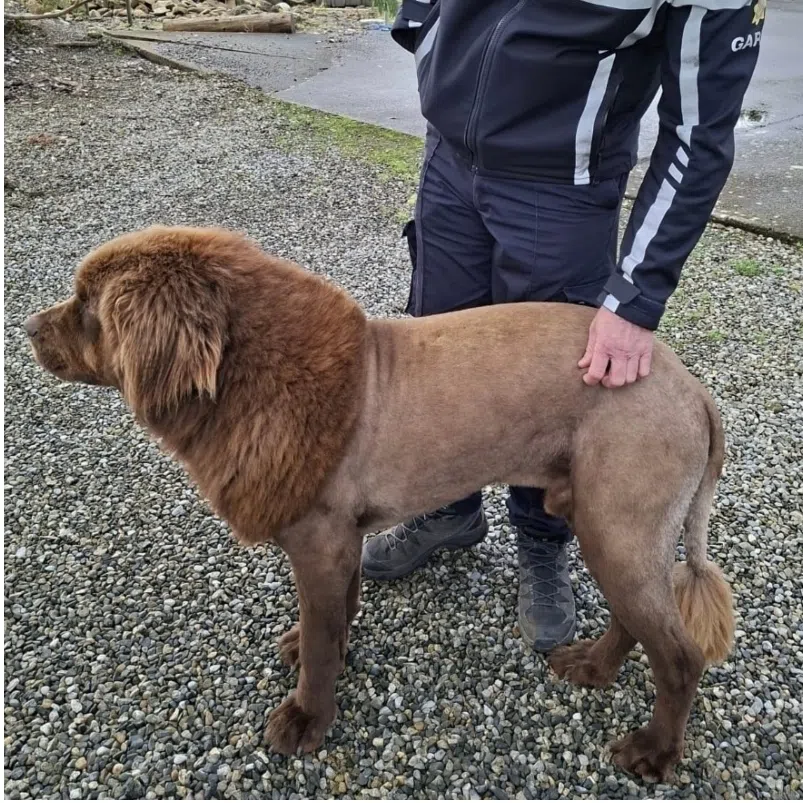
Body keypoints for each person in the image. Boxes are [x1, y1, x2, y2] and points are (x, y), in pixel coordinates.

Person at [362, 0, 765, 652]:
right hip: (449, 161)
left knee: (549, 392)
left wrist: (634, 297)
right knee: (438, 363)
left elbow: (698, 133)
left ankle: (540, 541)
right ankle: (449, 510)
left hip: (560, 190)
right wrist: (426, 28)